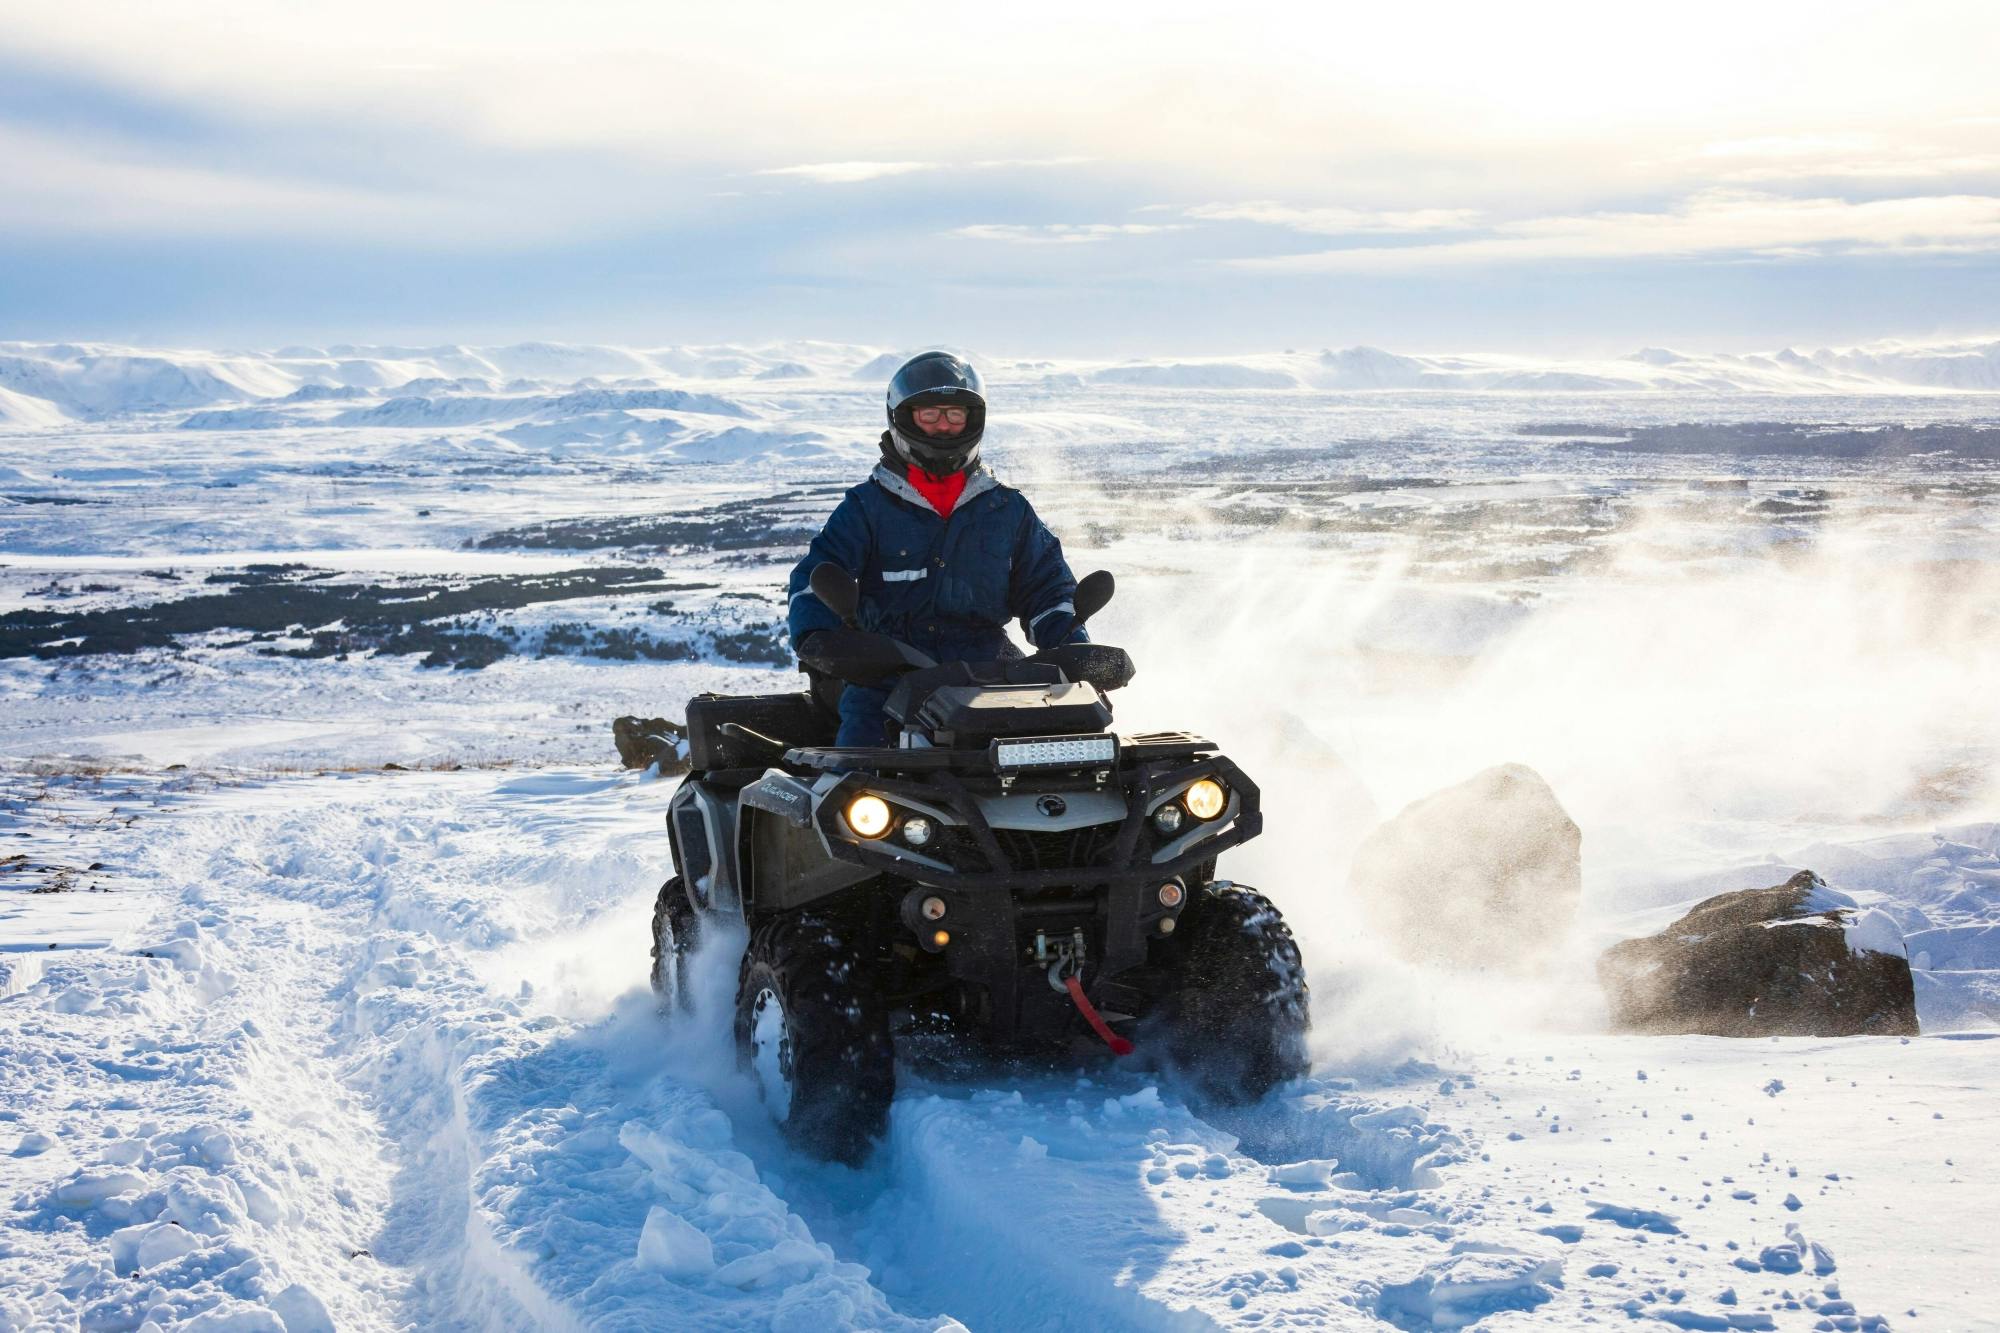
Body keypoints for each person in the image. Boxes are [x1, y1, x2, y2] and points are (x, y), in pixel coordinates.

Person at [787, 351, 1087, 747]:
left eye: (954, 415)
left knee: (1069, 746)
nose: (943, 426)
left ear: (973, 420)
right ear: (902, 418)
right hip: (889, 676)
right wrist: (819, 635)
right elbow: (818, 574)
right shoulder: (867, 508)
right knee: (857, 774)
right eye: (930, 415)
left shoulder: (1006, 509)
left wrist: (1072, 644)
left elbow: (1046, 586)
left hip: (990, 673)